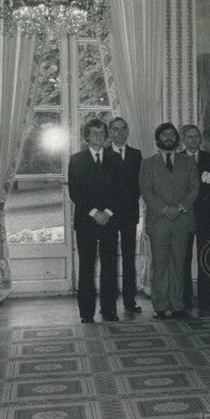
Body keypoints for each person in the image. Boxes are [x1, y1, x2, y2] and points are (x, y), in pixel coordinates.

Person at [139, 122, 199, 319]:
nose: (169, 137)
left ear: (177, 138)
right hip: (159, 222)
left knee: (179, 264)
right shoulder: (147, 163)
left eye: (172, 134)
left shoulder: (188, 162)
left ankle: (178, 305)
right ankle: (160, 306)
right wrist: (165, 209)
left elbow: (194, 189)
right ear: (158, 139)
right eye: (164, 134)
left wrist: (180, 208)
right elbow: (146, 191)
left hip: (183, 221)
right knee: (160, 264)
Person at [68, 118, 123, 323]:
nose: (99, 137)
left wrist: (107, 212)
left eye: (102, 133)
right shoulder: (76, 159)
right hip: (86, 221)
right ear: (86, 136)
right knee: (86, 267)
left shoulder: (115, 159)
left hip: (110, 220)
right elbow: (76, 192)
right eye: (94, 133)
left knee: (109, 266)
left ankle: (109, 310)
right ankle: (86, 313)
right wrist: (94, 213)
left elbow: (120, 191)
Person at [180, 124, 210, 314]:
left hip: (204, 216)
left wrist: (207, 190)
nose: (194, 140)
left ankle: (206, 299)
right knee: (184, 260)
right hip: (184, 216)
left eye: (196, 136)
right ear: (183, 139)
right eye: (189, 137)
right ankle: (186, 298)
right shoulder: (177, 159)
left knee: (205, 259)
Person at [107, 117, 143, 314]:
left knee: (129, 258)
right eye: (115, 130)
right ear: (110, 132)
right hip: (109, 216)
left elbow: (139, 185)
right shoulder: (103, 154)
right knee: (110, 258)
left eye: (123, 129)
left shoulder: (136, 155)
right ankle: (110, 302)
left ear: (127, 131)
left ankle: (130, 301)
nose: (119, 133)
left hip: (130, 214)